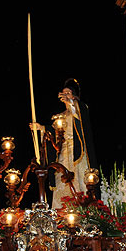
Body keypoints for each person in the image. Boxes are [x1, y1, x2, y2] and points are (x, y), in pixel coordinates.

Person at [50, 78, 97, 209]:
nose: (65, 96)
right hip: (64, 151)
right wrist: (41, 128)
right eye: (63, 93)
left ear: (74, 96)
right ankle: (61, 209)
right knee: (61, 177)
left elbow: (79, 115)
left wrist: (70, 102)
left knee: (78, 177)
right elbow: (55, 133)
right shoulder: (61, 116)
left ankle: (82, 206)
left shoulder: (80, 108)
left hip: (77, 150)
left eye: (68, 93)